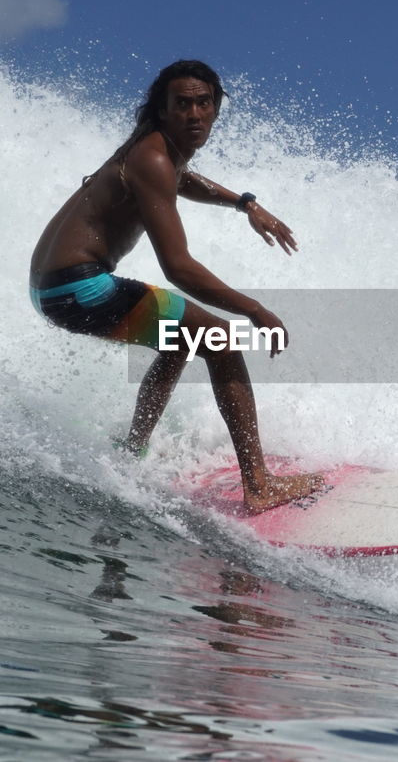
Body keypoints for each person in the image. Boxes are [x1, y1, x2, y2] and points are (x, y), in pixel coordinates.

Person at [30, 60, 322, 514]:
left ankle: (134, 447)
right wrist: (254, 310)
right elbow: (179, 269)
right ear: (162, 111)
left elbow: (185, 181)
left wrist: (245, 203)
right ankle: (260, 486)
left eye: (203, 103)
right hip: (79, 288)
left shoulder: (155, 153)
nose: (194, 114)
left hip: (53, 289)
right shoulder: (151, 158)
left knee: (180, 339)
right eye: (182, 104)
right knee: (221, 341)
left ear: (217, 108)